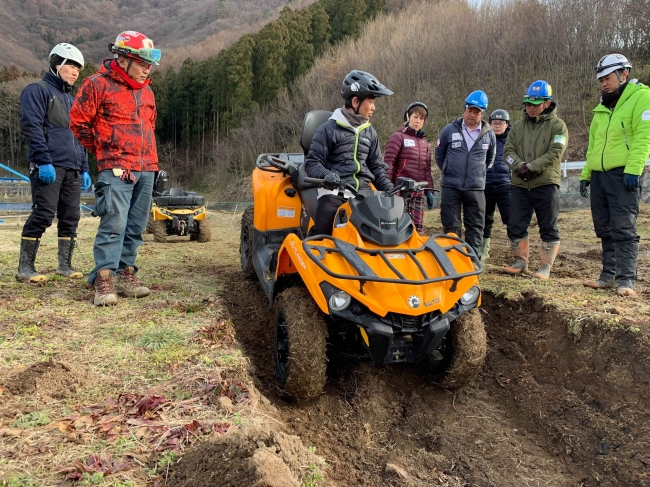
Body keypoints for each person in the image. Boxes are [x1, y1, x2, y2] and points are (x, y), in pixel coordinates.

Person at [70, 31, 161, 306]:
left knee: (135, 226)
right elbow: (78, 123)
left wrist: (150, 165)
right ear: (122, 59)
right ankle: (104, 278)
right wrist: (104, 153)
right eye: (141, 61)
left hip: (146, 168)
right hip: (117, 169)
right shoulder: (96, 85)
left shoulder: (146, 90)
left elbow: (151, 125)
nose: (147, 67)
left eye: (149, 62)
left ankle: (126, 274)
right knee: (114, 225)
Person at [16, 43, 91, 283]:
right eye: (71, 66)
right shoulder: (37, 90)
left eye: (79, 68)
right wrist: (43, 160)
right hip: (48, 166)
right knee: (44, 214)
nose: (76, 72)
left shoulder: (71, 99)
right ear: (57, 64)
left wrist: (85, 167)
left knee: (71, 217)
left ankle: (65, 266)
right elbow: (32, 126)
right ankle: (25, 268)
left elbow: (79, 135)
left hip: (73, 168)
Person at [580, 54, 649, 297]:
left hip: (623, 175)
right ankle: (608, 275)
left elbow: (644, 136)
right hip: (599, 176)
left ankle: (626, 280)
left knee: (623, 227)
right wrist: (586, 174)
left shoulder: (641, 97)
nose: (604, 83)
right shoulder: (601, 106)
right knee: (604, 228)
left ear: (623, 74)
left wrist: (634, 168)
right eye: (600, 80)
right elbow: (593, 145)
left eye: (607, 78)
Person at [304, 70, 394, 236]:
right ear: (355, 101)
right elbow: (312, 163)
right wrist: (326, 176)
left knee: (390, 230)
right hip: (335, 193)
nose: (374, 107)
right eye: (371, 101)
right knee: (323, 232)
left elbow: (376, 166)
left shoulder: (370, 132)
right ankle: (312, 251)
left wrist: (389, 187)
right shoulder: (327, 129)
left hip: (366, 195)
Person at [503, 80, 568, 279]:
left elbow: (555, 152)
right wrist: (519, 166)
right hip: (520, 184)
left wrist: (532, 167)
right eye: (528, 104)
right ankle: (520, 261)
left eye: (536, 104)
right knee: (515, 224)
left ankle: (545, 266)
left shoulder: (558, 126)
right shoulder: (517, 127)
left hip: (545, 183)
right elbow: (507, 152)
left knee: (548, 225)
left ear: (547, 103)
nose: (531, 108)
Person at [435, 90, 496, 257]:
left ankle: (473, 261)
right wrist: (450, 170)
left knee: (475, 226)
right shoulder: (448, 130)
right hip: (451, 186)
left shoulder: (489, 134)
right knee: (451, 226)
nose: (472, 114)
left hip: (476, 188)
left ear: (482, 113)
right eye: (470, 110)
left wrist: (478, 174)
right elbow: (440, 156)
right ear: (465, 109)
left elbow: (490, 159)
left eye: (477, 112)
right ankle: (453, 260)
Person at [384, 102, 434, 234]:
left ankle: (415, 252)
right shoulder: (398, 137)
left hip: (418, 190)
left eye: (421, 118)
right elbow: (388, 164)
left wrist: (429, 191)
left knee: (417, 226)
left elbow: (426, 169)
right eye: (415, 117)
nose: (418, 121)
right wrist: (387, 187)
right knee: (400, 225)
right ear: (408, 117)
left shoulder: (425, 143)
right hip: (400, 190)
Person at [481, 109, 511, 261]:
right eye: (494, 123)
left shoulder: (512, 140)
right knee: (485, 219)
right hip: (486, 185)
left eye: (500, 123)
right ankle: (483, 251)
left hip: (506, 185)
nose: (497, 126)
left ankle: (518, 253)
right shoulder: (484, 138)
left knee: (511, 219)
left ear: (507, 124)